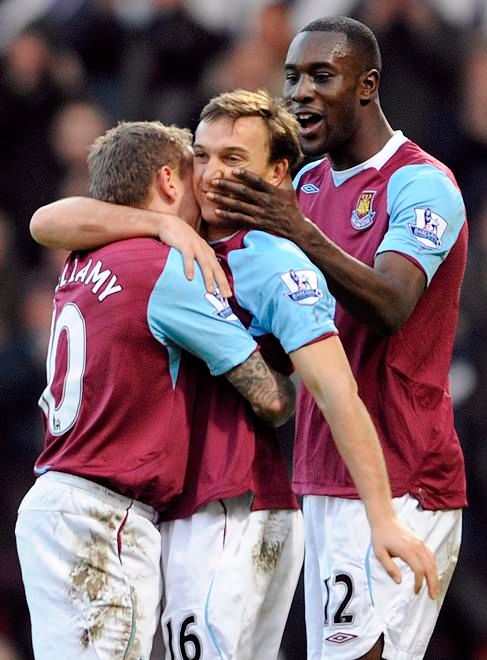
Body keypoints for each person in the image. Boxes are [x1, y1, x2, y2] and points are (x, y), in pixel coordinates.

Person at [30, 87, 439, 659]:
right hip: (176, 507)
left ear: (277, 175)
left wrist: (382, 517)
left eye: (234, 160)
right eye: (202, 155)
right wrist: (164, 227)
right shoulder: (166, 247)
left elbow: (334, 390)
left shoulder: (272, 263)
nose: (213, 173)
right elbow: (48, 219)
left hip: (236, 502)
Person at [204, 17, 468, 660]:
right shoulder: (308, 188)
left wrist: (297, 231)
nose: (301, 93)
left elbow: (392, 306)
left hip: (405, 473)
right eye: (293, 77)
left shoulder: (421, 182)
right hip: (321, 473)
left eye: (323, 77)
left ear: (367, 85)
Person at [15, 120, 298, 660]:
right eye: (196, 172)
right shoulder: (169, 268)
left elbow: (46, 222)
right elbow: (268, 398)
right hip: (107, 515)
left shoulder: (80, 260)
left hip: (52, 502)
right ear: (170, 181)